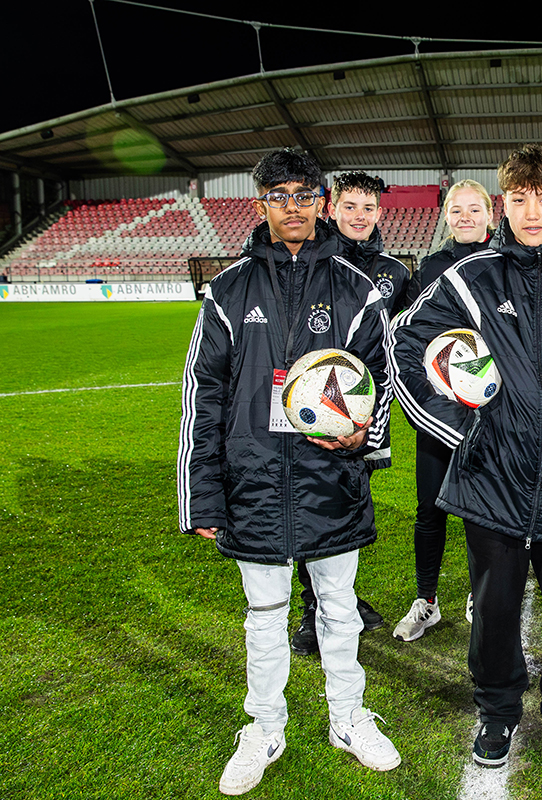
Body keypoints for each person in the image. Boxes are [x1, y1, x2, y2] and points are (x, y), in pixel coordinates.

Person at [392, 145, 542, 771]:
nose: (532, 212)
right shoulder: (469, 278)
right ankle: (497, 712)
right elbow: (404, 347)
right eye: (521, 199)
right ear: (506, 201)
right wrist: (456, 429)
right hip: (490, 485)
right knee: (495, 613)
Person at [178, 149, 401, 796]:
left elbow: (379, 381)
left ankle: (348, 718)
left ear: (322, 203)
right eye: (280, 195)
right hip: (251, 483)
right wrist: (203, 499)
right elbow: (204, 395)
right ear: (261, 205)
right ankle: (264, 726)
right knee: (265, 612)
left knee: (338, 610)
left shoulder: (357, 290)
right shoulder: (226, 290)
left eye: (305, 195)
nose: (294, 206)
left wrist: (364, 437)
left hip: (330, 477)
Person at [289, 171, 405, 656]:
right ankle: (313, 610)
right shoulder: (315, 260)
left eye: (368, 208)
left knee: (353, 503)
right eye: (350, 206)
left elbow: (400, 341)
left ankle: (343, 596)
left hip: (368, 411)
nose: (359, 215)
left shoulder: (395, 272)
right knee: (313, 505)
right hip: (318, 411)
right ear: (331, 208)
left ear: (379, 214)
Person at [392, 179, 494, 642]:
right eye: (458, 210)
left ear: (491, 215)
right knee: (429, 508)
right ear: (447, 217)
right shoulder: (431, 267)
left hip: (490, 411)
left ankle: (480, 593)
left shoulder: (503, 261)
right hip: (435, 409)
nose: (467, 217)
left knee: (482, 510)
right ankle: (427, 600)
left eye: (476, 209)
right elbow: (409, 335)